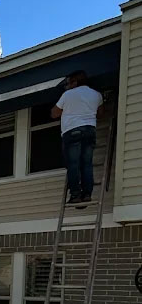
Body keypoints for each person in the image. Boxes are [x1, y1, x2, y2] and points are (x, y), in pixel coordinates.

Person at [51, 70, 104, 204]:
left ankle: (75, 194)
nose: (67, 85)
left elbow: (54, 113)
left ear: (75, 82)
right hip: (90, 130)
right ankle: (87, 194)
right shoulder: (96, 95)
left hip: (72, 130)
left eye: (68, 82)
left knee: (73, 164)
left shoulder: (68, 94)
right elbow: (100, 113)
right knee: (87, 164)